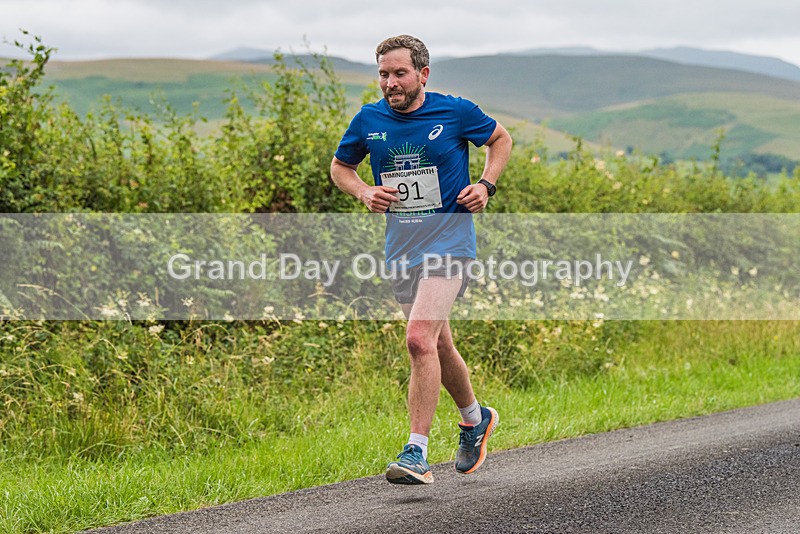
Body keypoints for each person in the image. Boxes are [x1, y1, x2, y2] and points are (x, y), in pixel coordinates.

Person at [330, 35, 512, 485]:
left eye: (399, 74)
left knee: (417, 339)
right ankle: (475, 418)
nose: (390, 83)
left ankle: (416, 452)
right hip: (401, 251)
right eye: (383, 74)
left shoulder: (455, 111)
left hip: (450, 245)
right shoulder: (369, 120)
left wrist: (486, 185)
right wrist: (364, 191)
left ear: (423, 75)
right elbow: (341, 168)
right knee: (437, 344)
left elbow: (500, 139)